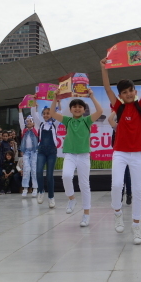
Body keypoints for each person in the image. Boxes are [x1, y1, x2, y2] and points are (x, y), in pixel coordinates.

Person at [101, 55, 141, 245]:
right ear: (121, 95)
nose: (129, 94)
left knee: (138, 189)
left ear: (135, 91)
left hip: (137, 154)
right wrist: (104, 69)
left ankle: (136, 225)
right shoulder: (119, 107)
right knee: (117, 185)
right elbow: (107, 89)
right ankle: (117, 213)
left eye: (131, 90)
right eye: (124, 92)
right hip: (120, 153)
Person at [48, 89, 103, 228]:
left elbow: (100, 111)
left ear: (84, 109)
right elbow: (53, 113)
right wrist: (55, 97)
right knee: (66, 176)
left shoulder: (87, 120)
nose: (77, 109)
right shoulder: (68, 120)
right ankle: (71, 199)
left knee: (84, 185)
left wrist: (92, 96)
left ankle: (86, 214)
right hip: (70, 155)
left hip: (84, 156)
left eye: (80, 107)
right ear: (71, 109)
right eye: (75, 107)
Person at [32, 101, 59, 208]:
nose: (46, 115)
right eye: (44, 113)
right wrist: (34, 105)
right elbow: (34, 114)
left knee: (49, 175)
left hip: (52, 152)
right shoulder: (40, 124)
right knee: (38, 171)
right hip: (42, 151)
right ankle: (41, 191)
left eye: (48, 113)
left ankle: (51, 197)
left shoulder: (54, 124)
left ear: (52, 114)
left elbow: (59, 113)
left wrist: (58, 103)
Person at [108, 112, 132, 205]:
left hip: (129, 154)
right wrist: (115, 110)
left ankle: (128, 195)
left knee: (127, 176)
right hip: (119, 154)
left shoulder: (129, 127)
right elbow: (110, 119)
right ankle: (123, 195)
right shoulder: (117, 126)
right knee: (121, 176)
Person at [18, 111, 39, 198]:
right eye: (27, 121)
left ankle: (35, 188)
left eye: (30, 121)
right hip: (26, 152)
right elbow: (20, 121)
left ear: (33, 122)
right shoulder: (24, 130)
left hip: (34, 152)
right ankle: (25, 188)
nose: (28, 123)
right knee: (26, 170)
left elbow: (36, 117)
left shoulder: (36, 129)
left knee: (34, 170)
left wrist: (35, 109)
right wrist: (20, 111)